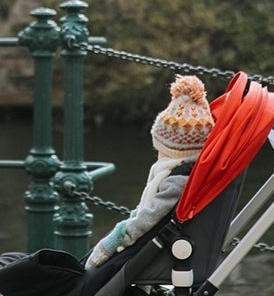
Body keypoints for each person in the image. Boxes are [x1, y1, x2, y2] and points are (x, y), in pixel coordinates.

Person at [86, 74, 214, 268]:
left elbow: (150, 217)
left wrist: (117, 237)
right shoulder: (189, 173)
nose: (158, 156)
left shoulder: (178, 180)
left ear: (174, 151)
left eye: (161, 150)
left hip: (154, 256)